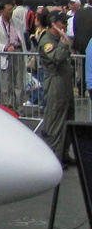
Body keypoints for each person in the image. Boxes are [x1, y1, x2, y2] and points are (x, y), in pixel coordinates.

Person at [37, 12, 74, 163]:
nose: (64, 25)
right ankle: (52, 156)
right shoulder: (47, 40)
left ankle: (64, 153)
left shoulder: (58, 39)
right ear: (53, 23)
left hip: (65, 82)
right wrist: (64, 44)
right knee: (55, 120)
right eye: (62, 22)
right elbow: (57, 57)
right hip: (55, 82)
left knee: (69, 119)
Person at [0, 2, 27, 111]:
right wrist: (4, 48)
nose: (11, 11)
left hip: (17, 52)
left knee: (19, 81)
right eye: (8, 9)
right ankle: (8, 107)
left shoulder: (18, 23)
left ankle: (19, 107)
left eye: (12, 9)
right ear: (1, 11)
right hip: (4, 55)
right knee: (6, 83)